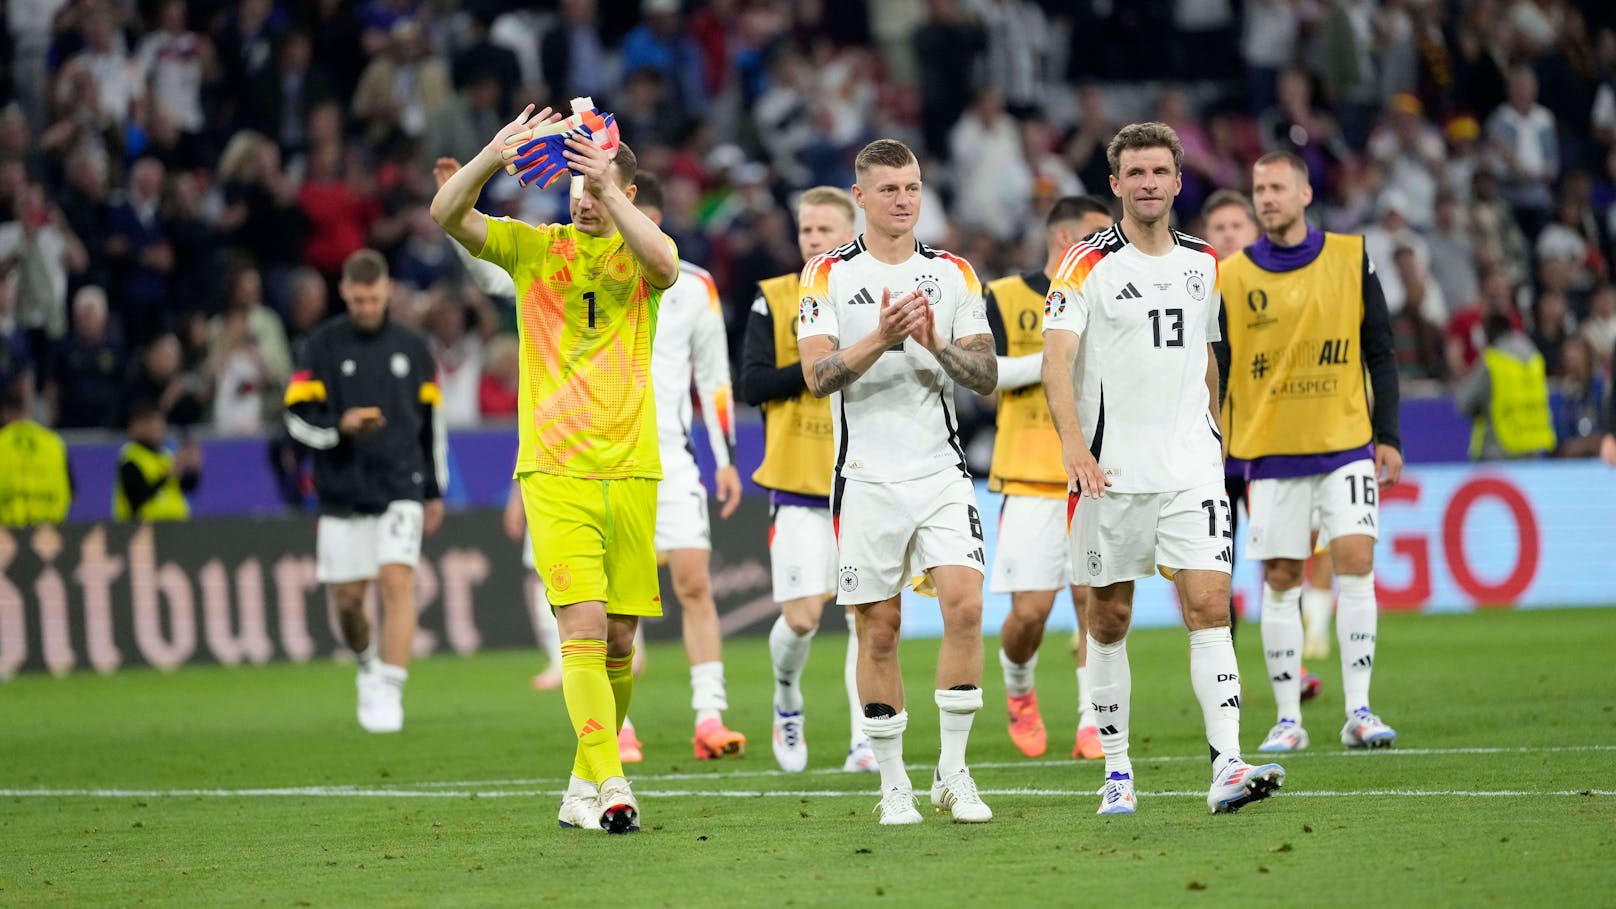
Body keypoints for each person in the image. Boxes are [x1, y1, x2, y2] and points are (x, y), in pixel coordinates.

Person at [431, 103, 679, 835]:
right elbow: (447, 213)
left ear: (624, 192)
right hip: (556, 468)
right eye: (572, 185)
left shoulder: (643, 253)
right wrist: (491, 153)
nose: (578, 197)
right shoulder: (536, 248)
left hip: (632, 466)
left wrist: (610, 186)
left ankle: (580, 781)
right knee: (584, 626)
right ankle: (611, 782)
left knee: (623, 639)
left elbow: (666, 262)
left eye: (593, 186)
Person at [1042, 122, 1283, 817]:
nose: (1148, 183)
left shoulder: (1205, 261)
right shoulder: (1084, 262)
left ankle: (1228, 764)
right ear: (1115, 184)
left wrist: (1216, 430)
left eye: (1159, 172)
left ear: (1179, 182)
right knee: (1108, 618)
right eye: (1135, 173)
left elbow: (1208, 353)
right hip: (1109, 472)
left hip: (1190, 469)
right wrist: (1073, 446)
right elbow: (1056, 358)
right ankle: (1117, 770)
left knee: (1209, 606)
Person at [797, 138, 998, 826]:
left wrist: (933, 344)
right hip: (866, 477)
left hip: (941, 469)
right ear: (860, 196)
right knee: (878, 629)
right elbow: (816, 374)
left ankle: (953, 770)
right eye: (888, 188)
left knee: (966, 608)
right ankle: (893, 783)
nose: (903, 199)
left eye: (911, 187)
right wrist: (882, 335)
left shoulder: (953, 273)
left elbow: (986, 375)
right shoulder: (824, 274)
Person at [1216, 151, 1403, 755]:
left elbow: (1382, 349)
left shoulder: (1351, 256)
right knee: (1281, 577)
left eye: (1276, 187)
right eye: (1258, 188)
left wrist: (1390, 436)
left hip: (1345, 444)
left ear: (1303, 194)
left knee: (1355, 560)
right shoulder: (1233, 275)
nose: (1265, 197)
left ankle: (1359, 710)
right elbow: (1212, 368)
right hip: (1269, 453)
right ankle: (1288, 718)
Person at [739, 185, 875, 775]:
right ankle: (787, 700)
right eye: (805, 231)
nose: (813, 240)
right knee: (801, 618)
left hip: (865, 481)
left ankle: (865, 740)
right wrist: (827, 363)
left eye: (825, 231)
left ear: (851, 232)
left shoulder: (875, 295)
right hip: (796, 483)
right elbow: (754, 387)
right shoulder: (774, 299)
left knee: (865, 617)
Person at [282, 249, 447, 735]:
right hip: (342, 491)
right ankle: (368, 665)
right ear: (345, 293)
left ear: (388, 291)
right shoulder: (321, 347)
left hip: (401, 485)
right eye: (357, 300)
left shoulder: (414, 349)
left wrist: (434, 490)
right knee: (349, 602)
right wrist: (340, 427)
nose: (366, 307)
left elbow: (430, 425)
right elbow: (295, 417)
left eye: (373, 299)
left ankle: (391, 691)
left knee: (398, 583)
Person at [981, 194, 1113, 761]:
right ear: (1066, 240)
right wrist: (1053, 361)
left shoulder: (1110, 294)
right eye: (1099, 235)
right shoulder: (1005, 297)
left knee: (1094, 601)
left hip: (1096, 473)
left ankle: (1091, 719)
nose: (1112, 246)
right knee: (1030, 614)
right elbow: (984, 376)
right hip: (1030, 476)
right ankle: (1018, 688)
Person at [1203, 190, 1326, 696]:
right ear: (1205, 239)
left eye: (1238, 225)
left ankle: (1290, 669)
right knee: (1215, 572)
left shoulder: (1280, 293)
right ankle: (1224, 678)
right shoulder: (1191, 290)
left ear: (1254, 234)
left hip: (1268, 450)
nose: (1229, 234)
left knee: (1282, 563)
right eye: (1219, 228)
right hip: (1208, 455)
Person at [1455, 313, 1556, 461]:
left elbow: (1464, 404)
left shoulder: (1493, 361)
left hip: (1498, 450)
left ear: (1487, 334)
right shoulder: (1535, 358)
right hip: (1533, 449)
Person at [114, 400, 201, 522]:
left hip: (175, 527)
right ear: (137, 426)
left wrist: (194, 469)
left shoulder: (166, 454)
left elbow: (185, 487)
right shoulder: (130, 456)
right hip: (143, 531)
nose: (158, 427)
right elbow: (138, 496)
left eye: (159, 422)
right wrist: (167, 476)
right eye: (152, 422)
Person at [0, 387, 72, 527]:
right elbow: (71, 488)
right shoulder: (54, 442)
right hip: (49, 529)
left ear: (5, 414)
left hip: (7, 532)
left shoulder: (2, 441)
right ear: (28, 413)